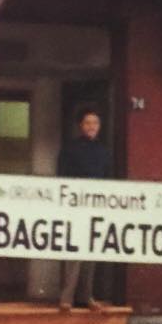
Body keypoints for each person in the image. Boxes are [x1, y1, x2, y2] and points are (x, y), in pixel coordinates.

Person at [57, 107, 111, 311]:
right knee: (74, 254)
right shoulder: (70, 148)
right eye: (88, 123)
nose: (92, 127)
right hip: (74, 207)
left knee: (91, 254)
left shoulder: (104, 152)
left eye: (95, 123)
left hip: (96, 208)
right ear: (81, 125)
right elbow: (61, 176)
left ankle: (87, 296)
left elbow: (107, 179)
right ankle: (66, 298)